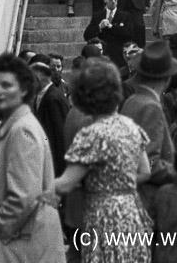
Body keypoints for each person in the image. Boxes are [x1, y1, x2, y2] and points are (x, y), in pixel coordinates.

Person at [47, 58, 151, 263]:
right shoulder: (130, 126)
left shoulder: (91, 134)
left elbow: (67, 183)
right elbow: (145, 171)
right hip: (131, 211)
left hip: (103, 215)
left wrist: (34, 187)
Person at [0, 53, 65, 263]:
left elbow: (24, 197)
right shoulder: (15, 125)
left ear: (24, 90)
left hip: (18, 246)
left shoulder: (22, 130)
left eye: (6, 85)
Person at [121, 41, 177, 210]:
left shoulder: (132, 101)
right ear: (167, 79)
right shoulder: (150, 106)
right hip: (149, 200)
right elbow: (151, 164)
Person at [83, 0, 135, 68]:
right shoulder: (98, 16)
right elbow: (87, 36)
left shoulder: (125, 16)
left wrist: (112, 27)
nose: (113, 1)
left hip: (119, 57)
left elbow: (130, 33)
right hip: (103, 57)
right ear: (105, 0)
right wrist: (99, 27)